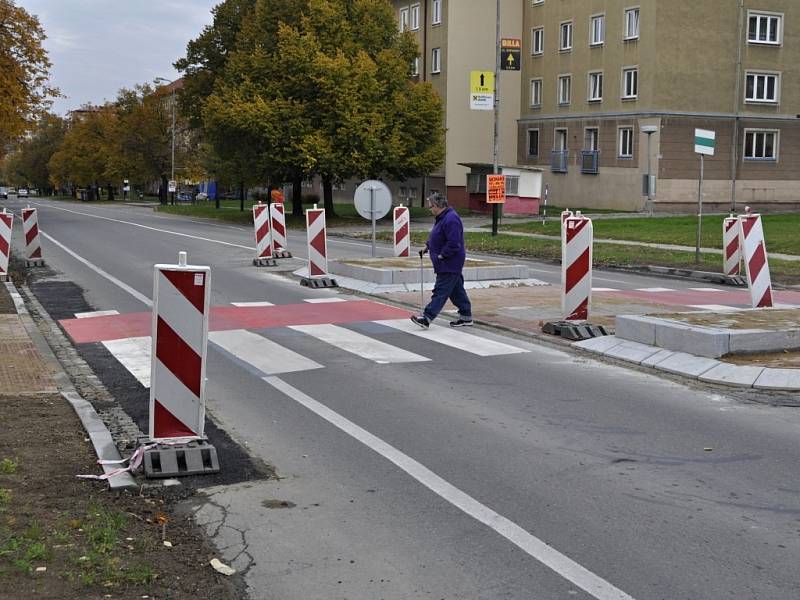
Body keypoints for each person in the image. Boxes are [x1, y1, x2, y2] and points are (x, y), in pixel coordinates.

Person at [411, 193, 473, 329]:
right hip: (446, 262)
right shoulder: (442, 218)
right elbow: (438, 235)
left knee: (440, 290)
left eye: (431, 206)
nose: (430, 209)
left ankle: (427, 318)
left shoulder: (451, 219)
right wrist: (427, 246)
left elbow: (454, 243)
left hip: (449, 262)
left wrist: (442, 255)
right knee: (456, 291)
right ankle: (466, 317)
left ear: (438, 206)